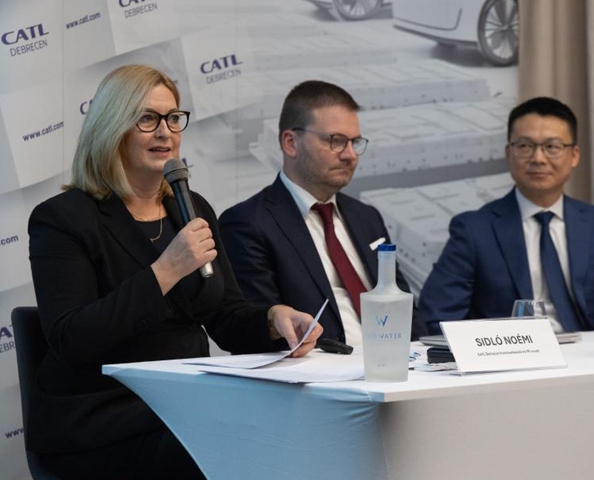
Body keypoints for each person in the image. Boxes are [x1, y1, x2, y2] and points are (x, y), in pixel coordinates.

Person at [27, 65, 322, 480]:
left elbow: (226, 316)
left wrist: (273, 320)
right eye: (147, 118)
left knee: (291, 432)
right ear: (113, 127)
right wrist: (165, 271)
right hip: (101, 420)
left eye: (173, 118)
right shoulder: (62, 219)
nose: (165, 132)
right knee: (223, 451)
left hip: (182, 405)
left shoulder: (191, 207)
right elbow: (73, 339)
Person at [418, 96, 594, 334]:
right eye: (525, 146)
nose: (538, 158)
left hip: (588, 357)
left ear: (574, 155)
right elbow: (438, 314)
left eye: (552, 147)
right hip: (510, 361)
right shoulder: (474, 230)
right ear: (508, 153)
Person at [219, 80, 427, 346]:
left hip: (397, 368)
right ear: (291, 143)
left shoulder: (367, 217)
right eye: (337, 141)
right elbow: (257, 329)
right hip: (318, 375)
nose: (351, 155)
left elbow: (404, 307)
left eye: (355, 142)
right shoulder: (248, 223)